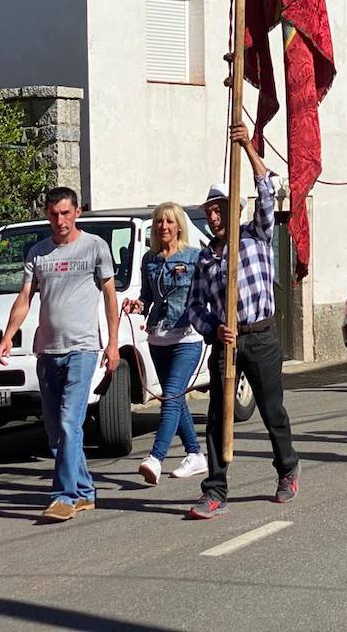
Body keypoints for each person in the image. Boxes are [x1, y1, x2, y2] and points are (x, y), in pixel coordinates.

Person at [184, 125, 298, 519]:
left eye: (220, 209)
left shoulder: (256, 235)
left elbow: (267, 188)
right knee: (218, 415)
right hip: (227, 343)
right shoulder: (206, 258)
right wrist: (213, 328)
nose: (214, 217)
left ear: (235, 209)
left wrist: (248, 146)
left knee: (271, 410)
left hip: (261, 337)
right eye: (209, 211)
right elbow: (195, 307)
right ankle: (214, 489)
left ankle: (287, 469)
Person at [0, 187, 120, 523]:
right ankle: (84, 491)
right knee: (56, 429)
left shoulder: (95, 247)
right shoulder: (38, 252)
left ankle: (63, 496)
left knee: (69, 421)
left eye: (65, 213)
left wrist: (112, 343)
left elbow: (110, 297)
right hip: (47, 350)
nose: (59, 220)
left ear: (77, 212)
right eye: (53, 214)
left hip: (82, 348)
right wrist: (8, 335)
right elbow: (24, 297)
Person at [124, 203, 208, 486]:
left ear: (179, 226)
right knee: (176, 397)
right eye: (159, 222)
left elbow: (210, 290)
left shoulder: (195, 257)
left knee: (170, 395)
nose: (164, 227)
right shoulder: (150, 259)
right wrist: (137, 305)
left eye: (169, 222)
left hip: (187, 336)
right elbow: (148, 298)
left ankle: (156, 458)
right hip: (158, 338)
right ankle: (195, 454)